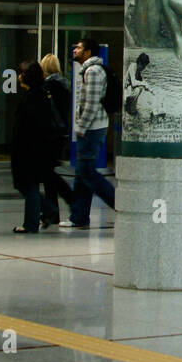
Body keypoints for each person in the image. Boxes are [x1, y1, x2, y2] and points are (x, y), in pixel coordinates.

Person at [66, 36, 115, 227]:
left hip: (92, 128)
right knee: (81, 174)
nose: (75, 50)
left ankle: (118, 203)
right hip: (92, 127)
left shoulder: (93, 71)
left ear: (87, 52)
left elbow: (92, 103)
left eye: (78, 48)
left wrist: (81, 127)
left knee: (86, 171)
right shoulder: (89, 70)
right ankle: (79, 217)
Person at [10, 61, 54, 234]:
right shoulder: (39, 95)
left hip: (29, 149)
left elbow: (29, 125)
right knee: (26, 184)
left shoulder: (33, 98)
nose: (19, 76)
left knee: (29, 185)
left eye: (21, 73)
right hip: (35, 147)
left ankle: (31, 223)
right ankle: (48, 209)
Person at [39, 53, 75, 227]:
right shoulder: (65, 85)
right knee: (48, 172)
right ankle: (53, 210)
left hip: (50, 134)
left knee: (48, 174)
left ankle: (63, 202)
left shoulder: (47, 87)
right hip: (61, 132)